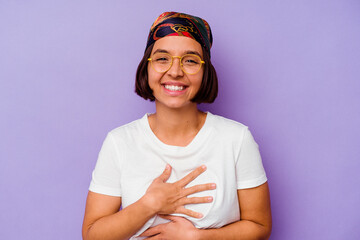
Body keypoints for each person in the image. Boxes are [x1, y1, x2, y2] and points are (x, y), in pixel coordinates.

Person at [82, 12, 272, 240]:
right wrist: (149, 204)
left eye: (190, 60)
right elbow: (92, 235)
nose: (175, 71)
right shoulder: (119, 142)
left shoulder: (236, 139)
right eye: (162, 58)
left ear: (205, 72)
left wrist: (197, 238)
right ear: (147, 67)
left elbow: (260, 226)